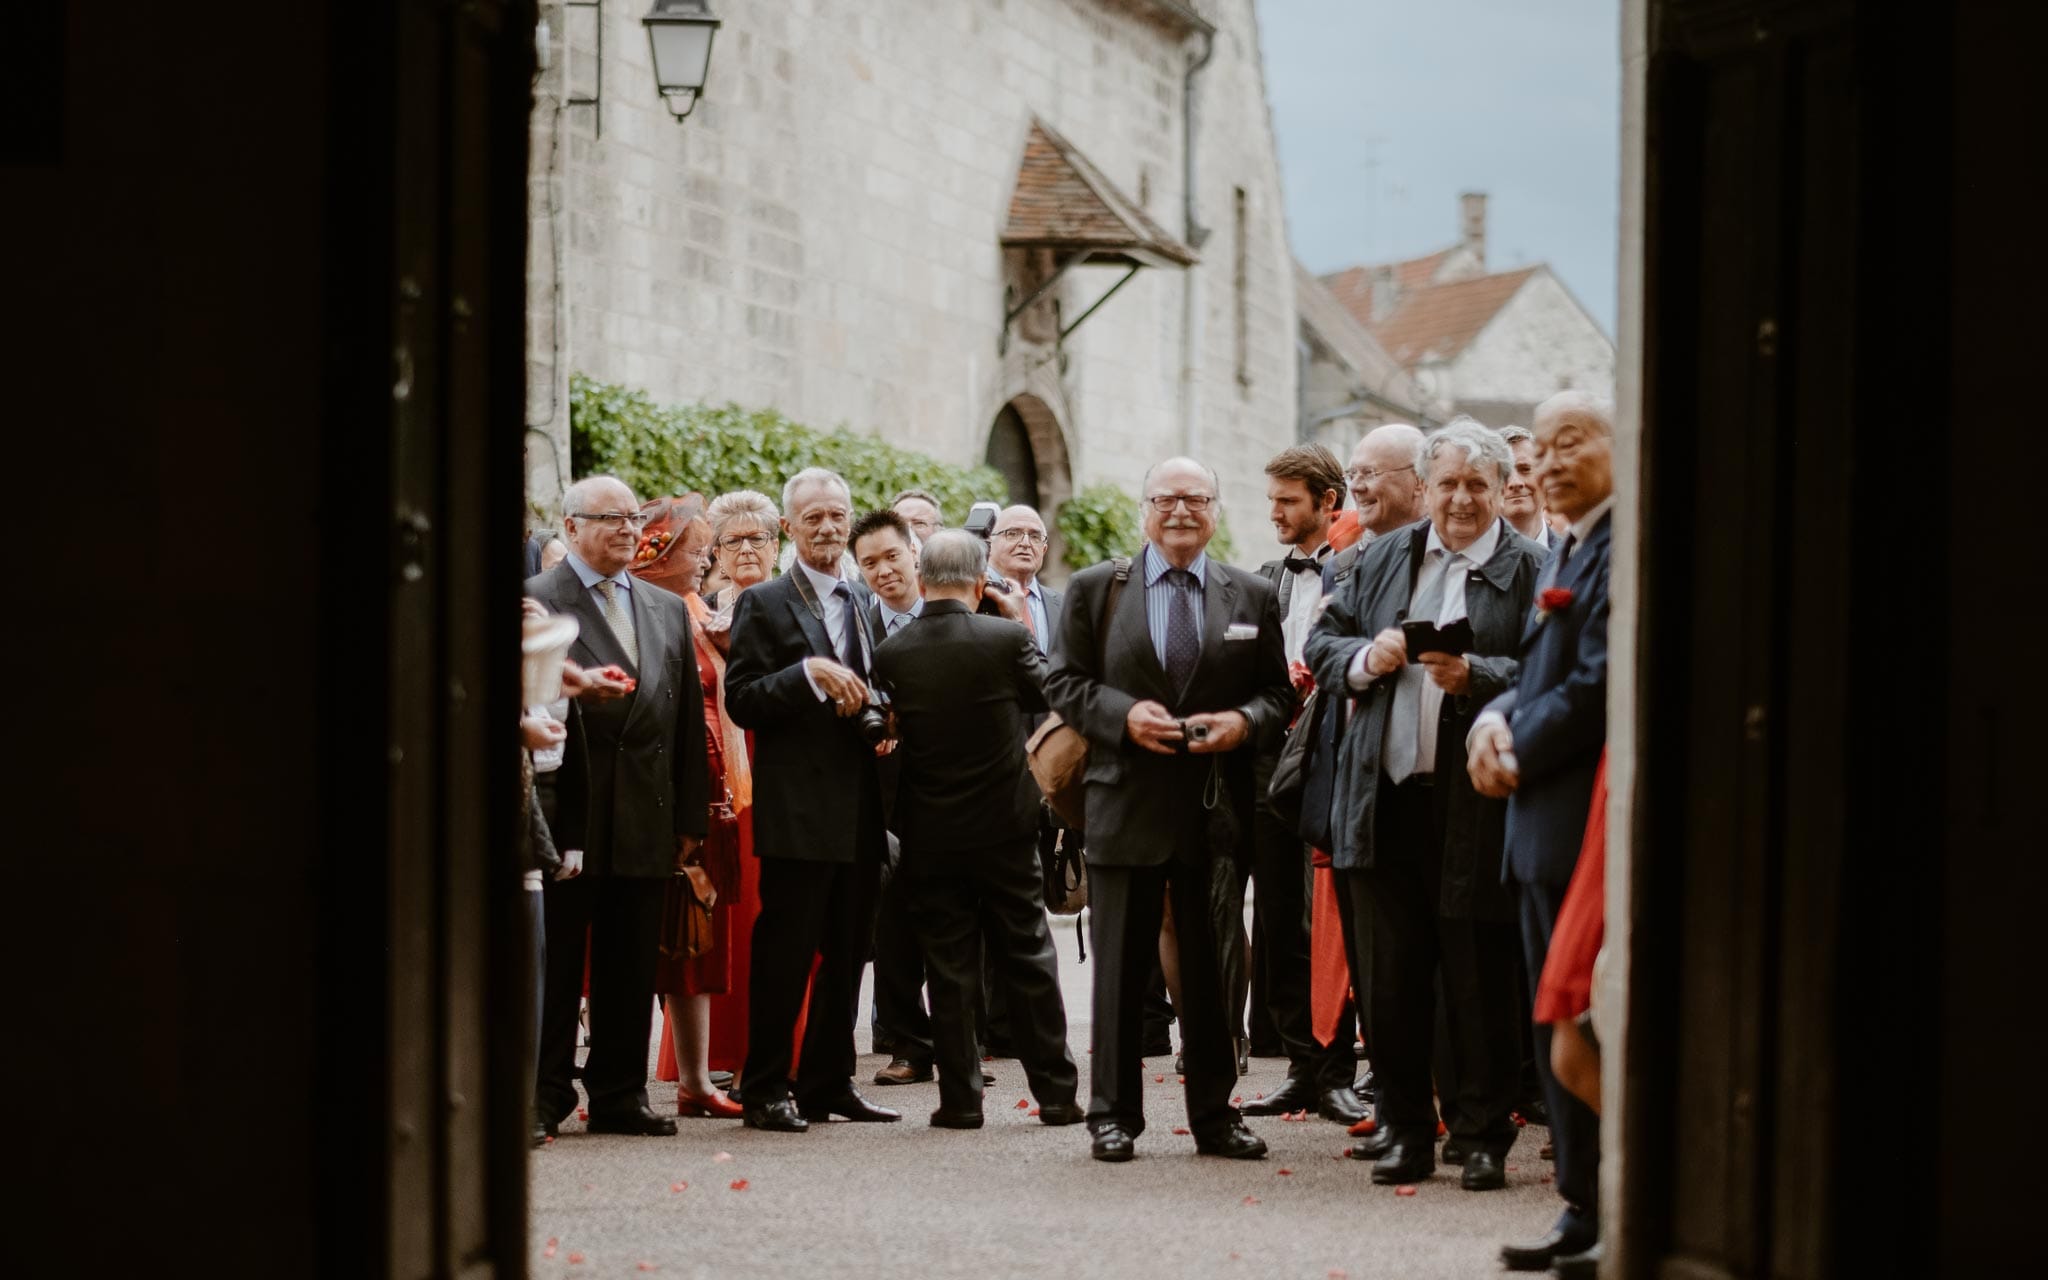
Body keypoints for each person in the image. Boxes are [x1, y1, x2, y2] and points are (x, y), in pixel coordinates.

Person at [1305, 419, 1546, 1192]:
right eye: (1447, 483)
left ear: (1503, 490)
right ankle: (1407, 1128)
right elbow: (1322, 643)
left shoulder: (1532, 567)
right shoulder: (1377, 557)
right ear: (1427, 486)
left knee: (1479, 980)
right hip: (1384, 797)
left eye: (1478, 485)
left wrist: (1477, 673)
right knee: (1392, 980)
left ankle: (1481, 1135)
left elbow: (1551, 672)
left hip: (1478, 804)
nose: (1461, 499)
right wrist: (1365, 659)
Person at [1046, 457, 1293, 1163]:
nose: (1181, 510)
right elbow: (1063, 681)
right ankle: (1113, 1117)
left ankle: (1215, 1116)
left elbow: (1279, 695)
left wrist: (1244, 721)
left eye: (1196, 498)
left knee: (1213, 976)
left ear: (1215, 509)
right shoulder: (1099, 589)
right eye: (1167, 498)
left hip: (1212, 810)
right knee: (1120, 971)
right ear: (1145, 508)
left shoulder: (1249, 594)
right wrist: (1123, 716)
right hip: (1123, 803)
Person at [1466, 390, 1615, 1271]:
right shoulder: (1573, 543)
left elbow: (1599, 684)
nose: (1549, 462)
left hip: (1577, 822)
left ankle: (1604, 1203)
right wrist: (1495, 717)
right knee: (1547, 1014)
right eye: (1543, 448)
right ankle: (1582, 1204)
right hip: (1536, 821)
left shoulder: (1622, 546)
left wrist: (1515, 736)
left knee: (1580, 1020)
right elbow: (1538, 667)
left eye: (1572, 442)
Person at [872, 530, 1086, 1129]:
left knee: (948, 964)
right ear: (979, 580)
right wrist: (1015, 617)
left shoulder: (895, 651)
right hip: (1004, 826)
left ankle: (961, 1099)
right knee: (1028, 955)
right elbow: (1053, 691)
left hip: (930, 830)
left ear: (922, 578)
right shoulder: (1006, 638)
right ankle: (1056, 1093)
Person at [526, 475, 710, 1138]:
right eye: (611, 518)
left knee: (632, 960)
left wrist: (689, 816)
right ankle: (547, 1092)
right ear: (571, 527)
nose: (628, 530)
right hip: (568, 810)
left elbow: (685, 718)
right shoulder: (537, 601)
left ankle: (620, 1092)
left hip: (645, 811)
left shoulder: (664, 608)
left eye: (635, 519)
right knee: (561, 960)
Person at [725, 467, 900, 1132]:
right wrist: (805, 676)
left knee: (851, 949)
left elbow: (875, 684)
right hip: (797, 809)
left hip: (861, 805)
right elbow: (742, 700)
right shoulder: (764, 602)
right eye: (814, 518)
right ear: (789, 529)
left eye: (837, 516)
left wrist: (883, 718)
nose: (828, 527)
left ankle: (829, 1082)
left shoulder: (860, 599)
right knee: (787, 952)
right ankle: (765, 1087)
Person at [1236, 443, 1365, 1125]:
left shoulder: (1362, 569)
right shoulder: (1263, 579)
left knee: (1331, 921)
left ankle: (1339, 1068)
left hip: (1334, 761)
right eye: (1273, 500)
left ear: (1328, 502)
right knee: (1279, 915)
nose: (1276, 513)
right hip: (1268, 763)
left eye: (1288, 501)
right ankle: (1300, 1067)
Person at [626, 496, 749, 1119]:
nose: (706, 560)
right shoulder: (644, 610)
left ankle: (697, 1081)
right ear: (664, 552)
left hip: (706, 788)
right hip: (660, 787)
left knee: (694, 937)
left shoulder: (698, 610)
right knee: (643, 940)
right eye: (696, 549)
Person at [849, 509, 936, 1086]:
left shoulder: (957, 610)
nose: (883, 571)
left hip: (950, 787)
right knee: (895, 922)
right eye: (869, 563)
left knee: (958, 922)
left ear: (915, 552)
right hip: (879, 791)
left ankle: (964, 1038)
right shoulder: (853, 619)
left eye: (891, 557)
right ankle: (911, 1042)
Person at [989, 505, 1061, 652]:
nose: (1025, 543)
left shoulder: (1063, 604)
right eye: (1013, 533)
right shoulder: (973, 595)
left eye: (1035, 536)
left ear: (1044, 550)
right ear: (990, 544)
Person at [1499, 425, 1555, 549]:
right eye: (1504, 473)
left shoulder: (1574, 557)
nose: (1515, 483)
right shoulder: (1468, 561)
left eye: (1525, 469)